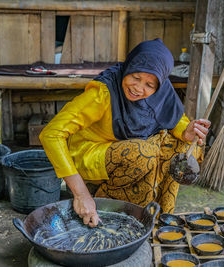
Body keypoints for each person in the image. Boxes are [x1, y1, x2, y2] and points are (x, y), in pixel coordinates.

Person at [39, 39, 210, 227]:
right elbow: (51, 133)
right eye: (135, 78)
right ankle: (107, 207)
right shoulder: (102, 94)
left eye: (149, 85)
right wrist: (81, 194)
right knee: (142, 153)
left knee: (181, 148)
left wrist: (187, 132)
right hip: (90, 153)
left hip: (131, 148)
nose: (138, 88)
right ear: (129, 67)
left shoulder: (162, 91)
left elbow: (176, 120)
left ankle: (161, 217)